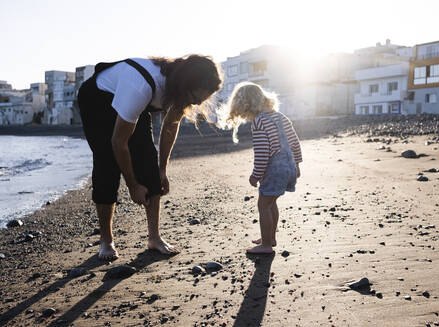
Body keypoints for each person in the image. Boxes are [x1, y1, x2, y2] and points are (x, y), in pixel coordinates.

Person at [77, 55, 222, 260]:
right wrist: (133, 185)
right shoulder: (142, 87)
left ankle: (154, 238)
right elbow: (119, 143)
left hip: (132, 98)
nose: (196, 104)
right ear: (185, 85)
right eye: (195, 98)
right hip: (97, 99)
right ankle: (106, 241)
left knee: (148, 162)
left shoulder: (178, 90)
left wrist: (162, 170)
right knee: (106, 163)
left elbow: (170, 126)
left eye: (200, 101)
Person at [217, 82, 302, 254]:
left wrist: (255, 175)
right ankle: (269, 238)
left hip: (275, 169)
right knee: (271, 203)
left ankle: (265, 246)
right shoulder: (281, 117)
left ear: (245, 105)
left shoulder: (259, 122)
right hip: (289, 167)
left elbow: (263, 153)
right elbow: (294, 142)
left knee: (263, 205)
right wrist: (297, 165)